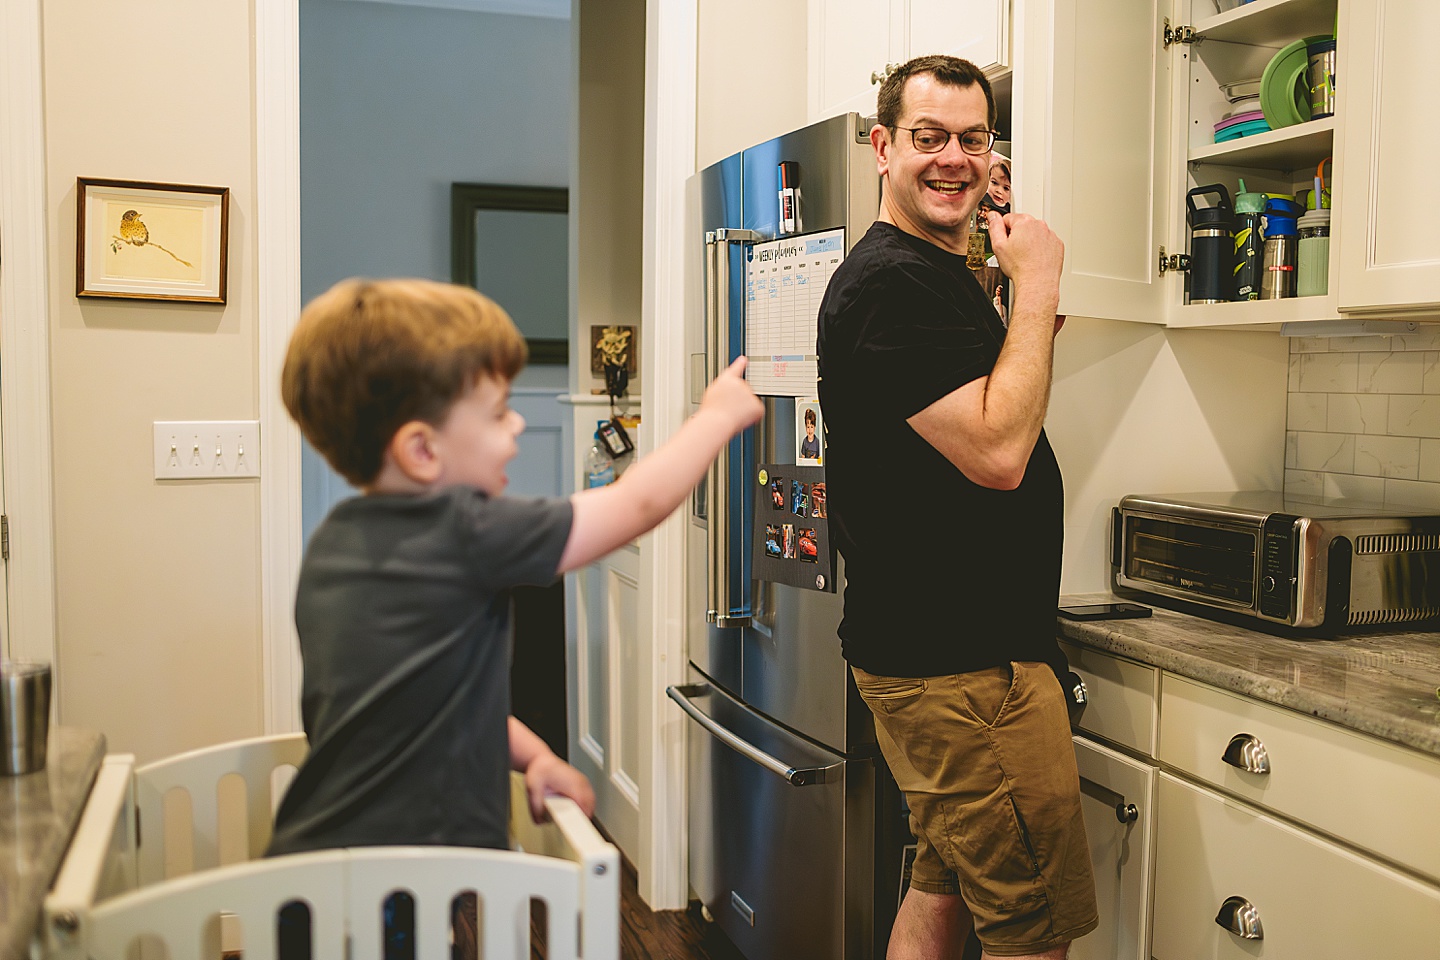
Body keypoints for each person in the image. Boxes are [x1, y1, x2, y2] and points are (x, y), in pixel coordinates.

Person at [268, 278, 762, 858]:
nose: (518, 425)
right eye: (499, 413)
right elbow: (637, 506)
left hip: (316, 864)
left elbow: (432, 706)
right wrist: (716, 417)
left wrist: (537, 758)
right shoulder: (463, 530)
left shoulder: (335, 541)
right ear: (422, 451)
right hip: (395, 881)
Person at [816, 55, 1096, 960]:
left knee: (940, 890)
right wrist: (1042, 274)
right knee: (1032, 929)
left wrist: (1003, 267)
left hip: (953, 655)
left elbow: (1005, 386)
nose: (954, 157)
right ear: (882, 146)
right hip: (962, 668)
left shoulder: (934, 276)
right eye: (928, 138)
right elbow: (1000, 450)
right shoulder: (887, 284)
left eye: (973, 140)